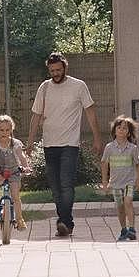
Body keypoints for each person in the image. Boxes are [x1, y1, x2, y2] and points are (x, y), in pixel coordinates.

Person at [26, 52, 103, 237]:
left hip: (70, 143)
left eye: (58, 70)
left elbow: (90, 112)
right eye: (52, 71)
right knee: (55, 188)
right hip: (49, 144)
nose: (55, 73)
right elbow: (36, 116)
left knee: (66, 185)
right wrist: (30, 142)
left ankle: (65, 222)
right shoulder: (44, 87)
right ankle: (65, 221)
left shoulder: (78, 86)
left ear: (65, 67)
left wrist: (97, 138)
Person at [0, 114, 31, 230]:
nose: (5, 132)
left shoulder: (16, 143)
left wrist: (26, 167)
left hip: (14, 172)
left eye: (7, 130)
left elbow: (21, 156)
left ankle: (19, 219)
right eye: (1, 130)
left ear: (11, 130)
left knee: (15, 196)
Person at [100, 115, 139, 241]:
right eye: (119, 127)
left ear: (128, 132)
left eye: (124, 128)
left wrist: (138, 179)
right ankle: (124, 230)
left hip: (129, 182)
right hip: (115, 183)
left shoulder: (132, 148)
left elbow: (138, 164)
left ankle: (132, 229)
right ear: (114, 131)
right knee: (120, 207)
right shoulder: (109, 148)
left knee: (128, 202)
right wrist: (104, 181)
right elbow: (104, 163)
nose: (121, 130)